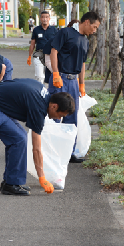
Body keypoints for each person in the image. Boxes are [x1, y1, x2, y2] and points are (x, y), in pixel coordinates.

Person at [0, 79, 75, 196]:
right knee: (19, 139)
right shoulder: (39, 107)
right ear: (54, 106)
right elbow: (36, 149)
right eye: (60, 115)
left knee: (19, 137)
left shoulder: (42, 91)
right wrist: (42, 177)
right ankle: (11, 184)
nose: (58, 118)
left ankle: (9, 181)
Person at [49, 12, 101, 163]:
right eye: (94, 26)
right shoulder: (65, 32)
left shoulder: (85, 41)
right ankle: (52, 151)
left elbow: (82, 64)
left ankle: (68, 152)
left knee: (72, 115)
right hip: (61, 78)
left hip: (73, 81)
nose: (95, 30)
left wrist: (82, 83)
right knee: (56, 114)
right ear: (86, 22)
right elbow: (54, 51)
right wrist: (56, 73)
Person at [43, 19, 80, 84]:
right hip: (53, 77)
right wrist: (57, 74)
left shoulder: (77, 43)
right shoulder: (53, 40)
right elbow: (48, 61)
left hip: (70, 79)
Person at [27, 11, 58, 83]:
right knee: (40, 76)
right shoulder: (36, 30)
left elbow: (58, 43)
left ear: (49, 18)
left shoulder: (54, 30)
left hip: (51, 55)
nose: (45, 19)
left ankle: (52, 92)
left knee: (54, 74)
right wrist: (29, 56)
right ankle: (40, 92)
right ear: (40, 19)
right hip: (39, 54)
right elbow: (32, 44)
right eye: (43, 17)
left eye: (46, 17)